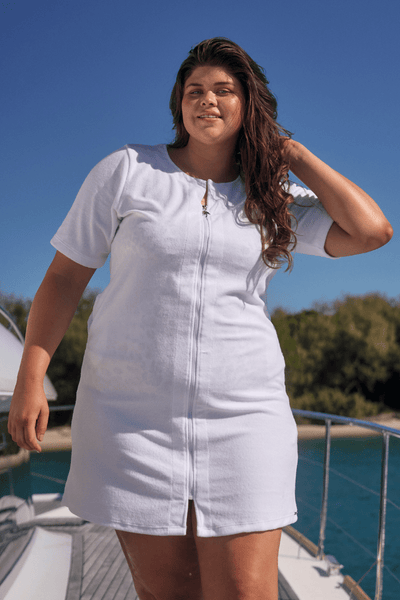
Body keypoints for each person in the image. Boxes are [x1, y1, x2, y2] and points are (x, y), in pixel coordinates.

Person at [8, 37, 392, 600]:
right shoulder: (126, 171)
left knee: (245, 593)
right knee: (172, 594)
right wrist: (30, 378)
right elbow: (65, 279)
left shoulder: (272, 197)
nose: (206, 99)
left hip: (245, 416)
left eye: (223, 90)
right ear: (178, 105)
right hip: (130, 418)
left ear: (248, 107)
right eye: (194, 90)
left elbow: (371, 231)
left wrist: (294, 155)